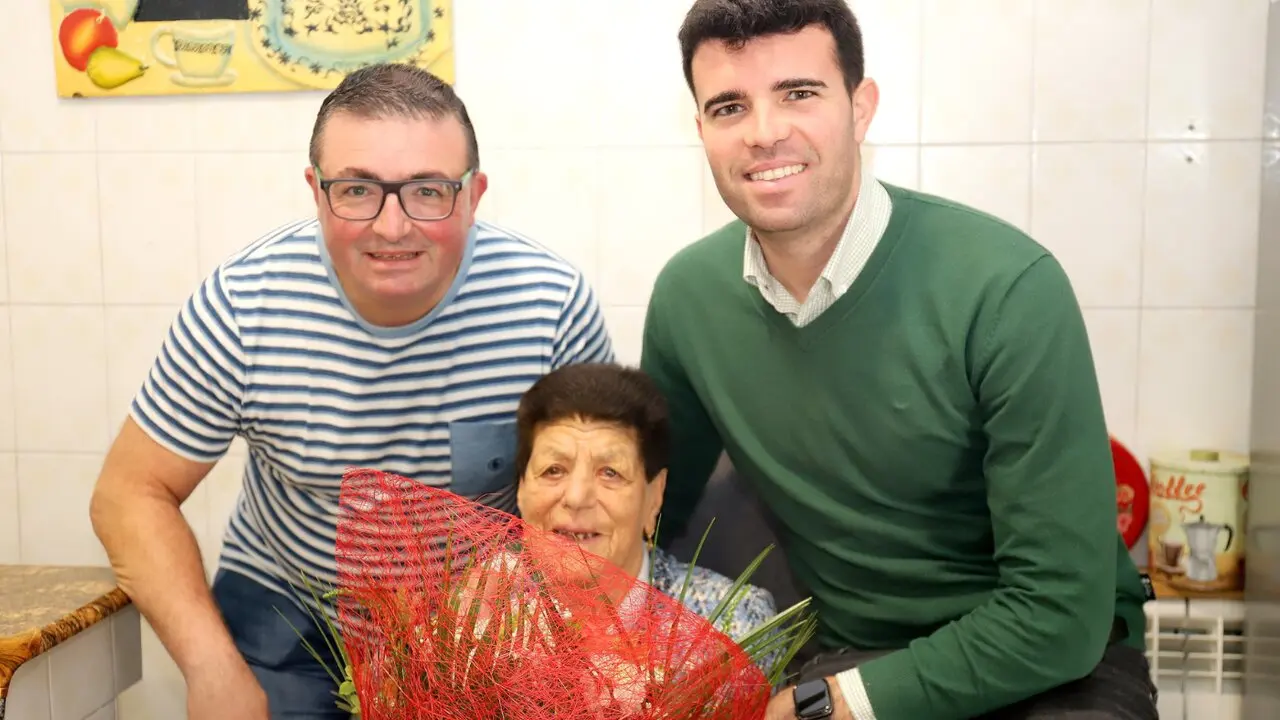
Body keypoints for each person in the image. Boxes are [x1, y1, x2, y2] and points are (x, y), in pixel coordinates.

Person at [640, 2, 1157, 719]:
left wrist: (832, 705)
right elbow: (646, 506)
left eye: (798, 93)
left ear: (861, 107)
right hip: (857, 649)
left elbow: (1061, 616)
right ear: (701, 131)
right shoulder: (687, 300)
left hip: (1058, 671)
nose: (764, 134)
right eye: (730, 106)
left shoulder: (1008, 287)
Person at [88, 63, 614, 720]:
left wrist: (519, 583)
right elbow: (130, 494)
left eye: (428, 191)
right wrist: (210, 669)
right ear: (316, 192)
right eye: (358, 190)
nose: (392, 228)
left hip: (483, 622)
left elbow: (602, 500)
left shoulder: (551, 306)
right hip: (290, 611)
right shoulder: (242, 306)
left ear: (475, 195)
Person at [513, 362, 778, 650]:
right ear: (521, 488)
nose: (576, 498)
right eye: (553, 470)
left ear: (654, 497)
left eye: (610, 472)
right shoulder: (477, 617)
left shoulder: (731, 628)